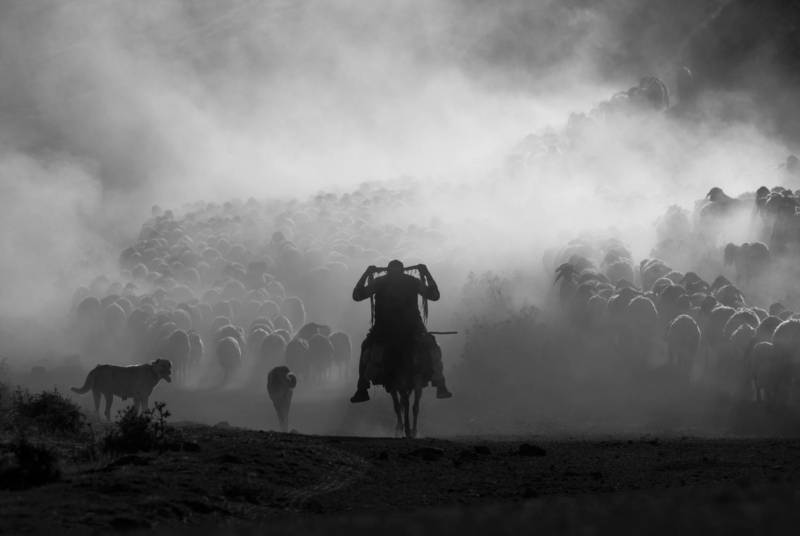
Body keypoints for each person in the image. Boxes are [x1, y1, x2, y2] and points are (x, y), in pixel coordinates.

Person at [350, 259, 452, 403]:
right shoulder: (412, 281)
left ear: (388, 271)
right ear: (403, 271)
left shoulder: (379, 282)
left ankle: (362, 389)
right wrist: (426, 272)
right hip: (412, 330)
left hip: (384, 331)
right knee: (432, 346)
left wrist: (366, 273)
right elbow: (434, 295)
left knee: (366, 347)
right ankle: (440, 385)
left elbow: (357, 295)